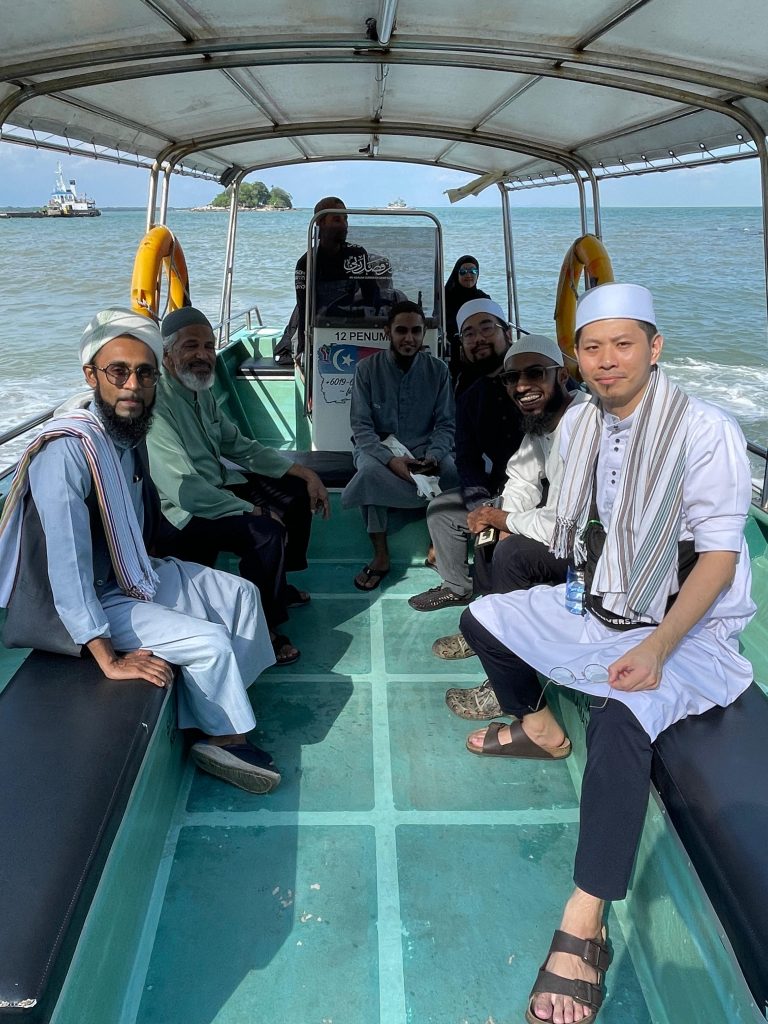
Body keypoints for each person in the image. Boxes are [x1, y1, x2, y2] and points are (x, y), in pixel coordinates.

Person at [457, 283, 755, 1023]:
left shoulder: (706, 430)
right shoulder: (582, 424)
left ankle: (585, 921)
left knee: (622, 713)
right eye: (592, 347)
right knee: (485, 617)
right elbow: (573, 526)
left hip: (687, 627)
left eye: (624, 344)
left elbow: (720, 559)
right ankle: (539, 729)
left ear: (655, 348)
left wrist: (658, 646)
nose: (607, 359)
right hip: (604, 601)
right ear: (577, 359)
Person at [0, 308, 284, 795]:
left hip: (128, 574)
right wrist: (108, 658)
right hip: (85, 604)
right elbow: (67, 568)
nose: (133, 385)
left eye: (145, 373)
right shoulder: (68, 452)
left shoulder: (124, 435)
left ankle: (213, 709)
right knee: (211, 642)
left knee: (241, 595)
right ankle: (223, 739)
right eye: (119, 371)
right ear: (91, 375)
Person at [147, 306, 330, 665]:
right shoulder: (157, 406)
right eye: (191, 346)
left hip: (217, 488)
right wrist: (253, 510)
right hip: (182, 513)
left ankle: (277, 586)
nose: (203, 355)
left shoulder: (199, 389)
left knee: (294, 496)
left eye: (208, 346)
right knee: (265, 533)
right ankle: (266, 629)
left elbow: (238, 445)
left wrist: (304, 473)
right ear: (166, 354)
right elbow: (186, 490)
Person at [440, 331, 589, 719]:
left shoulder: (582, 424)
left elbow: (565, 523)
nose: (522, 386)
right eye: (512, 378)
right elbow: (522, 478)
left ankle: (513, 690)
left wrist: (506, 520)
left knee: (513, 554)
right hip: (571, 534)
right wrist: (501, 518)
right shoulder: (544, 421)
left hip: (599, 549)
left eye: (535, 373)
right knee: (489, 535)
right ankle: (487, 629)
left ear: (561, 375)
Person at [408, 298, 523, 613]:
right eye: (469, 334)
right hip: (498, 488)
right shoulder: (471, 396)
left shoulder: (533, 379)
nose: (478, 339)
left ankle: (506, 604)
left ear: (507, 333)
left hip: (544, 495)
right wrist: (480, 505)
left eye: (487, 328)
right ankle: (457, 587)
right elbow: (467, 459)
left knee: (504, 542)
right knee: (441, 511)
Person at [341, 300, 459, 591]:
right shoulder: (367, 369)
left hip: (423, 447)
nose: (409, 338)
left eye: (416, 331)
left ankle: (436, 547)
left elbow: (446, 425)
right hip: (378, 448)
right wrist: (390, 460)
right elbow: (362, 428)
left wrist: (433, 455)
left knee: (451, 470)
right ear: (387, 332)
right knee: (369, 473)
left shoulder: (438, 370)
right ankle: (381, 556)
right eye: (401, 331)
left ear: (423, 333)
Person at [290, 197, 377, 364]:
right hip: (317, 329)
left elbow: (372, 296)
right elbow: (304, 310)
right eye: (337, 220)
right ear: (320, 223)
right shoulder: (307, 263)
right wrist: (303, 349)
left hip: (349, 327)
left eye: (346, 219)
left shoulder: (357, 254)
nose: (344, 225)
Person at [442, 255, 490, 390]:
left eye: (473, 271)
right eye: (463, 272)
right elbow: (446, 325)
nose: (468, 275)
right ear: (456, 274)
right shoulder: (446, 297)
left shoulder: (483, 298)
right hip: (454, 348)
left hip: (479, 347)